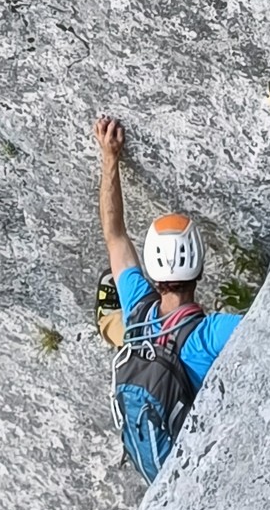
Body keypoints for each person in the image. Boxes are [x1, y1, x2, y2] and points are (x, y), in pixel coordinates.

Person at [92, 115, 242, 388]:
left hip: (142, 349)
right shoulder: (211, 335)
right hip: (180, 413)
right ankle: (110, 325)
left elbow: (114, 235)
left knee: (124, 327)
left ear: (151, 269)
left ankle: (106, 323)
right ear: (200, 268)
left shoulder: (137, 305)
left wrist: (109, 157)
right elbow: (268, 327)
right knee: (127, 327)